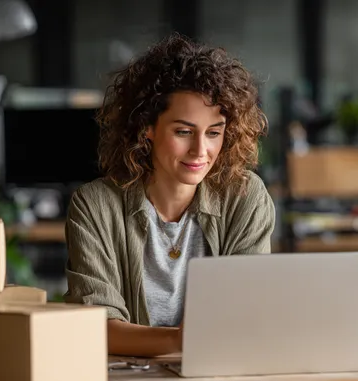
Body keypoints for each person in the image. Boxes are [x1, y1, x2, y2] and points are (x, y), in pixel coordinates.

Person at [64, 33, 276, 357]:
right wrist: (181, 341)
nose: (200, 150)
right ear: (147, 127)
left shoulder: (245, 196)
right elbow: (96, 326)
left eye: (214, 133)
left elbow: (247, 315)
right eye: (183, 131)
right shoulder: (95, 206)